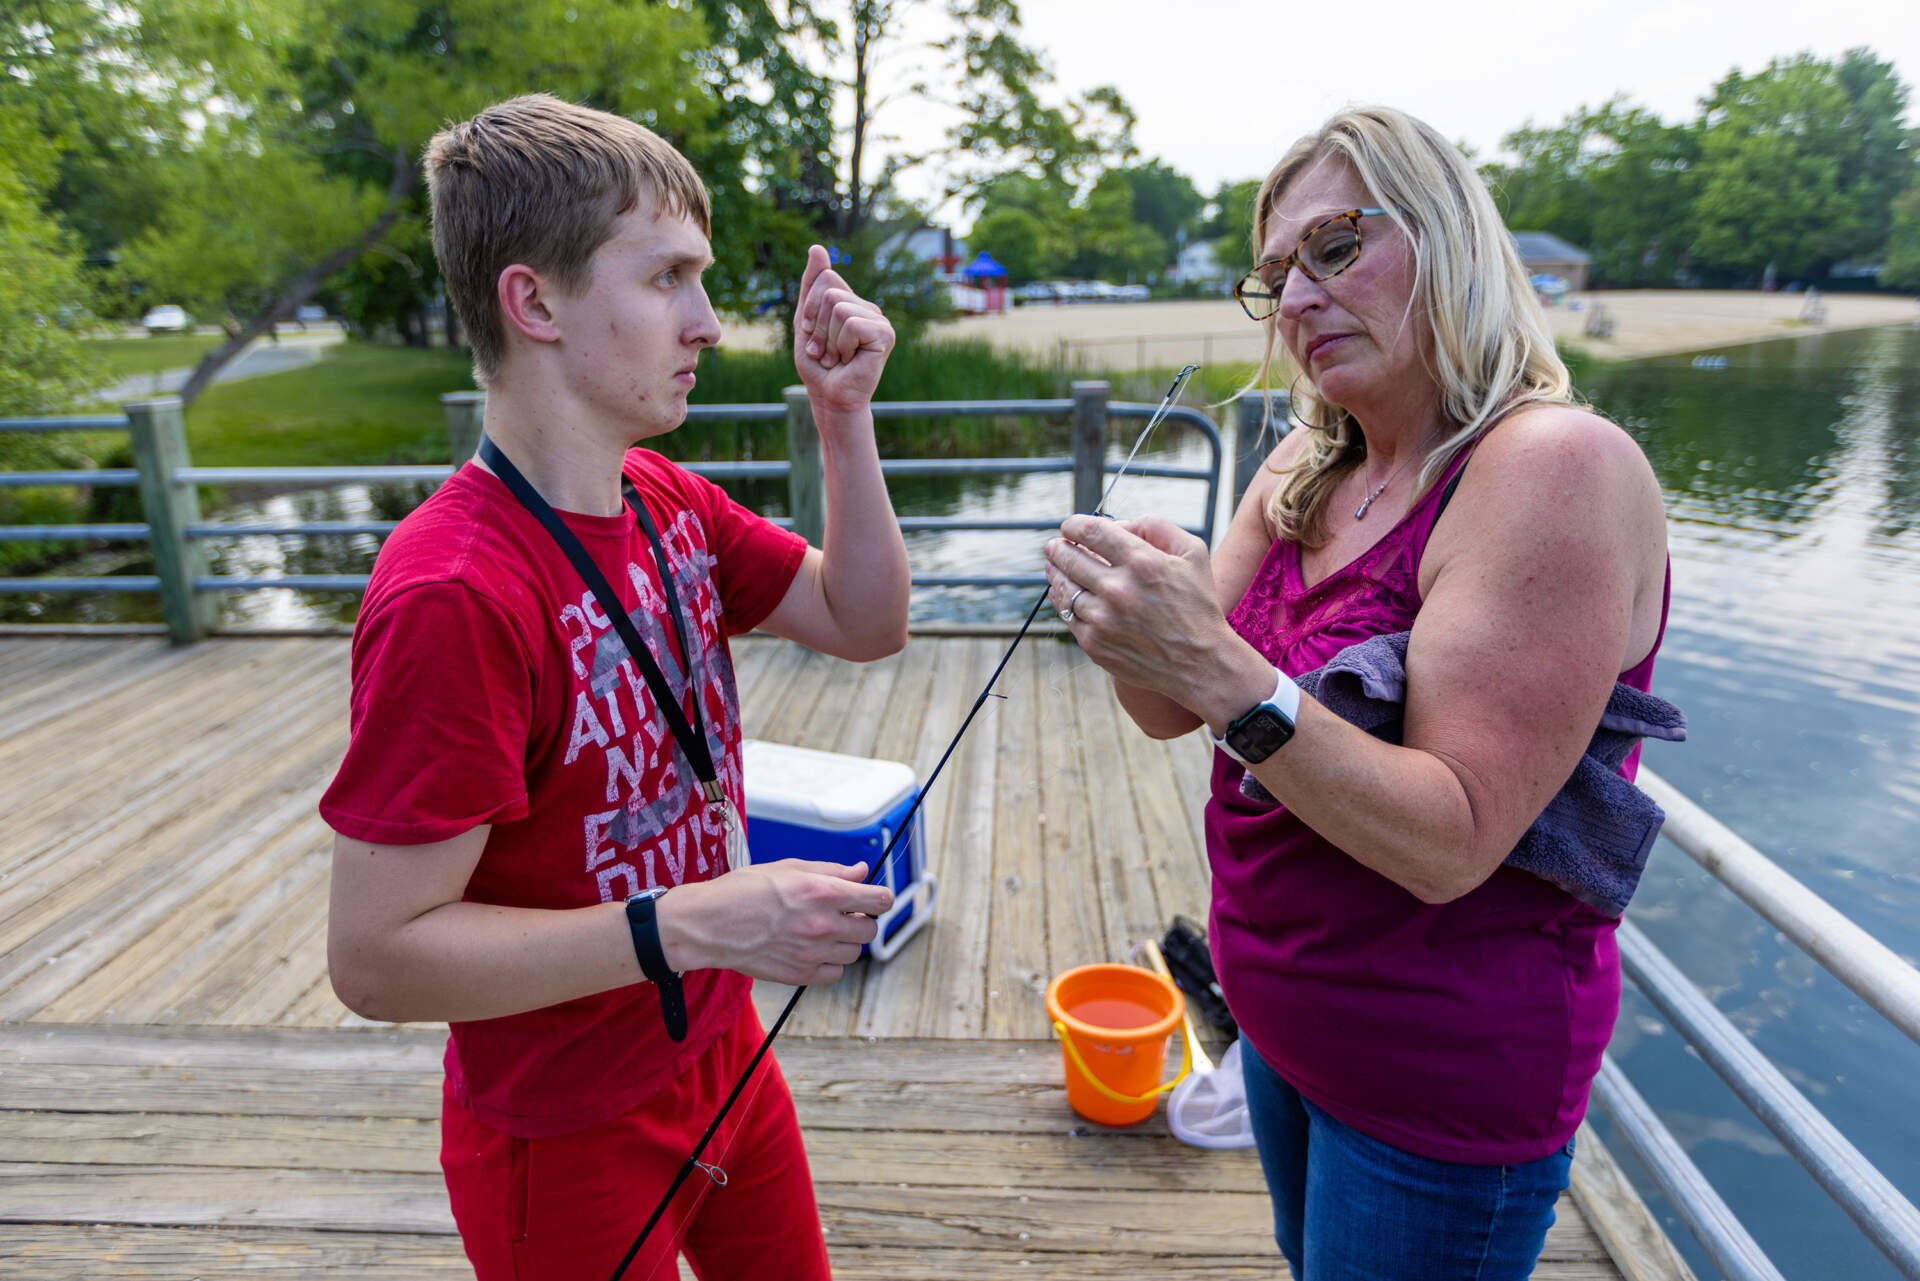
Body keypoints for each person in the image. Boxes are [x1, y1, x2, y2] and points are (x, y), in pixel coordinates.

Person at [1044, 106, 1670, 1280]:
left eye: (1335, 249)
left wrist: (1217, 664)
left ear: (1450, 240)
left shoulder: (1552, 470)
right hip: (1280, 1022)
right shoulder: (1302, 462)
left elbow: (1452, 841)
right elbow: (1176, 711)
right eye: (1275, 275)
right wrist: (1135, 623)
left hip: (1435, 1090)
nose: (1294, 300)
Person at [319, 94, 909, 1281]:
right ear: (533, 302)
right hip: (561, 1131)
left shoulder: (667, 500)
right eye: (668, 280)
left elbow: (865, 621)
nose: (708, 323)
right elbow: (377, 958)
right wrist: (697, 923)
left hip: (722, 1059)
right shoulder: (456, 592)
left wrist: (843, 420)